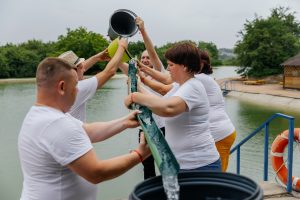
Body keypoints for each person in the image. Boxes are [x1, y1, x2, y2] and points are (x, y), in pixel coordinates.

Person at [18, 57, 150, 200]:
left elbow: (87, 130)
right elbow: (97, 173)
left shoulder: (39, 114)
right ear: (62, 87)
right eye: (75, 86)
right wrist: (139, 155)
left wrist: (124, 122)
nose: (76, 91)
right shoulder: (57, 124)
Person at [124, 42, 221, 171]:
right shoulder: (179, 85)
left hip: (199, 165)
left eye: (171, 65)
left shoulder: (193, 87)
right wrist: (139, 86)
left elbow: (168, 109)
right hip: (183, 164)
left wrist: (135, 97)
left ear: (185, 67)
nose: (168, 69)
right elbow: (159, 102)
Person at [118, 17, 167, 180]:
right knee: (147, 164)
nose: (146, 60)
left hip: (162, 128)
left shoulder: (161, 74)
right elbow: (120, 64)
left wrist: (143, 31)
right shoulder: (138, 75)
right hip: (144, 125)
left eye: (148, 58)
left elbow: (151, 51)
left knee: (165, 164)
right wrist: (116, 46)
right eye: (143, 58)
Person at [59, 38, 128, 122]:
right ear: (74, 71)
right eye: (81, 67)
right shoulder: (77, 89)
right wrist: (121, 47)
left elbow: (80, 68)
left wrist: (97, 57)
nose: (84, 69)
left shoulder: (59, 88)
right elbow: (110, 72)